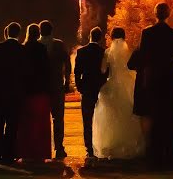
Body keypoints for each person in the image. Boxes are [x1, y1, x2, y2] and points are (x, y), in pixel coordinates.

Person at [92, 27, 145, 159]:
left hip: (113, 84)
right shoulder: (129, 52)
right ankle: (131, 144)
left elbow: (103, 70)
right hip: (128, 85)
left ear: (111, 37)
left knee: (111, 115)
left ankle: (112, 144)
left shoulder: (108, 52)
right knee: (129, 113)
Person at [139, 2, 173, 168]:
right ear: (168, 14)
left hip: (153, 79)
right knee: (169, 117)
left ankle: (154, 157)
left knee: (155, 117)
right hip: (169, 78)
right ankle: (170, 156)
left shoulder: (147, 33)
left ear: (155, 14)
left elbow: (143, 56)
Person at [0, 22, 25, 164]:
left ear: (6, 33)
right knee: (12, 124)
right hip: (15, 93)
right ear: (19, 34)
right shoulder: (22, 50)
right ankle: (9, 154)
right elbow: (25, 72)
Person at [17, 24, 51, 162]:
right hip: (40, 89)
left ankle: (26, 152)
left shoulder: (23, 49)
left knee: (26, 123)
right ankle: (39, 152)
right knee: (40, 122)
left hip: (26, 90)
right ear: (38, 34)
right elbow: (46, 70)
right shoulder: (42, 49)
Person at [38, 20, 71, 159]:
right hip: (57, 86)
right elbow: (67, 63)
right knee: (58, 118)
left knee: (41, 119)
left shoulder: (36, 44)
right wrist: (67, 81)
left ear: (40, 31)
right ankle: (59, 148)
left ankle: (41, 148)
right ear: (51, 31)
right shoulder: (59, 44)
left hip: (40, 87)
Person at [74, 26, 107, 159]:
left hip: (86, 89)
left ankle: (89, 148)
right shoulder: (103, 52)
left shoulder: (82, 52)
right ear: (100, 39)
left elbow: (77, 72)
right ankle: (99, 145)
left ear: (90, 37)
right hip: (100, 89)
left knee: (87, 120)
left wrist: (79, 86)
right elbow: (106, 72)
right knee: (100, 119)